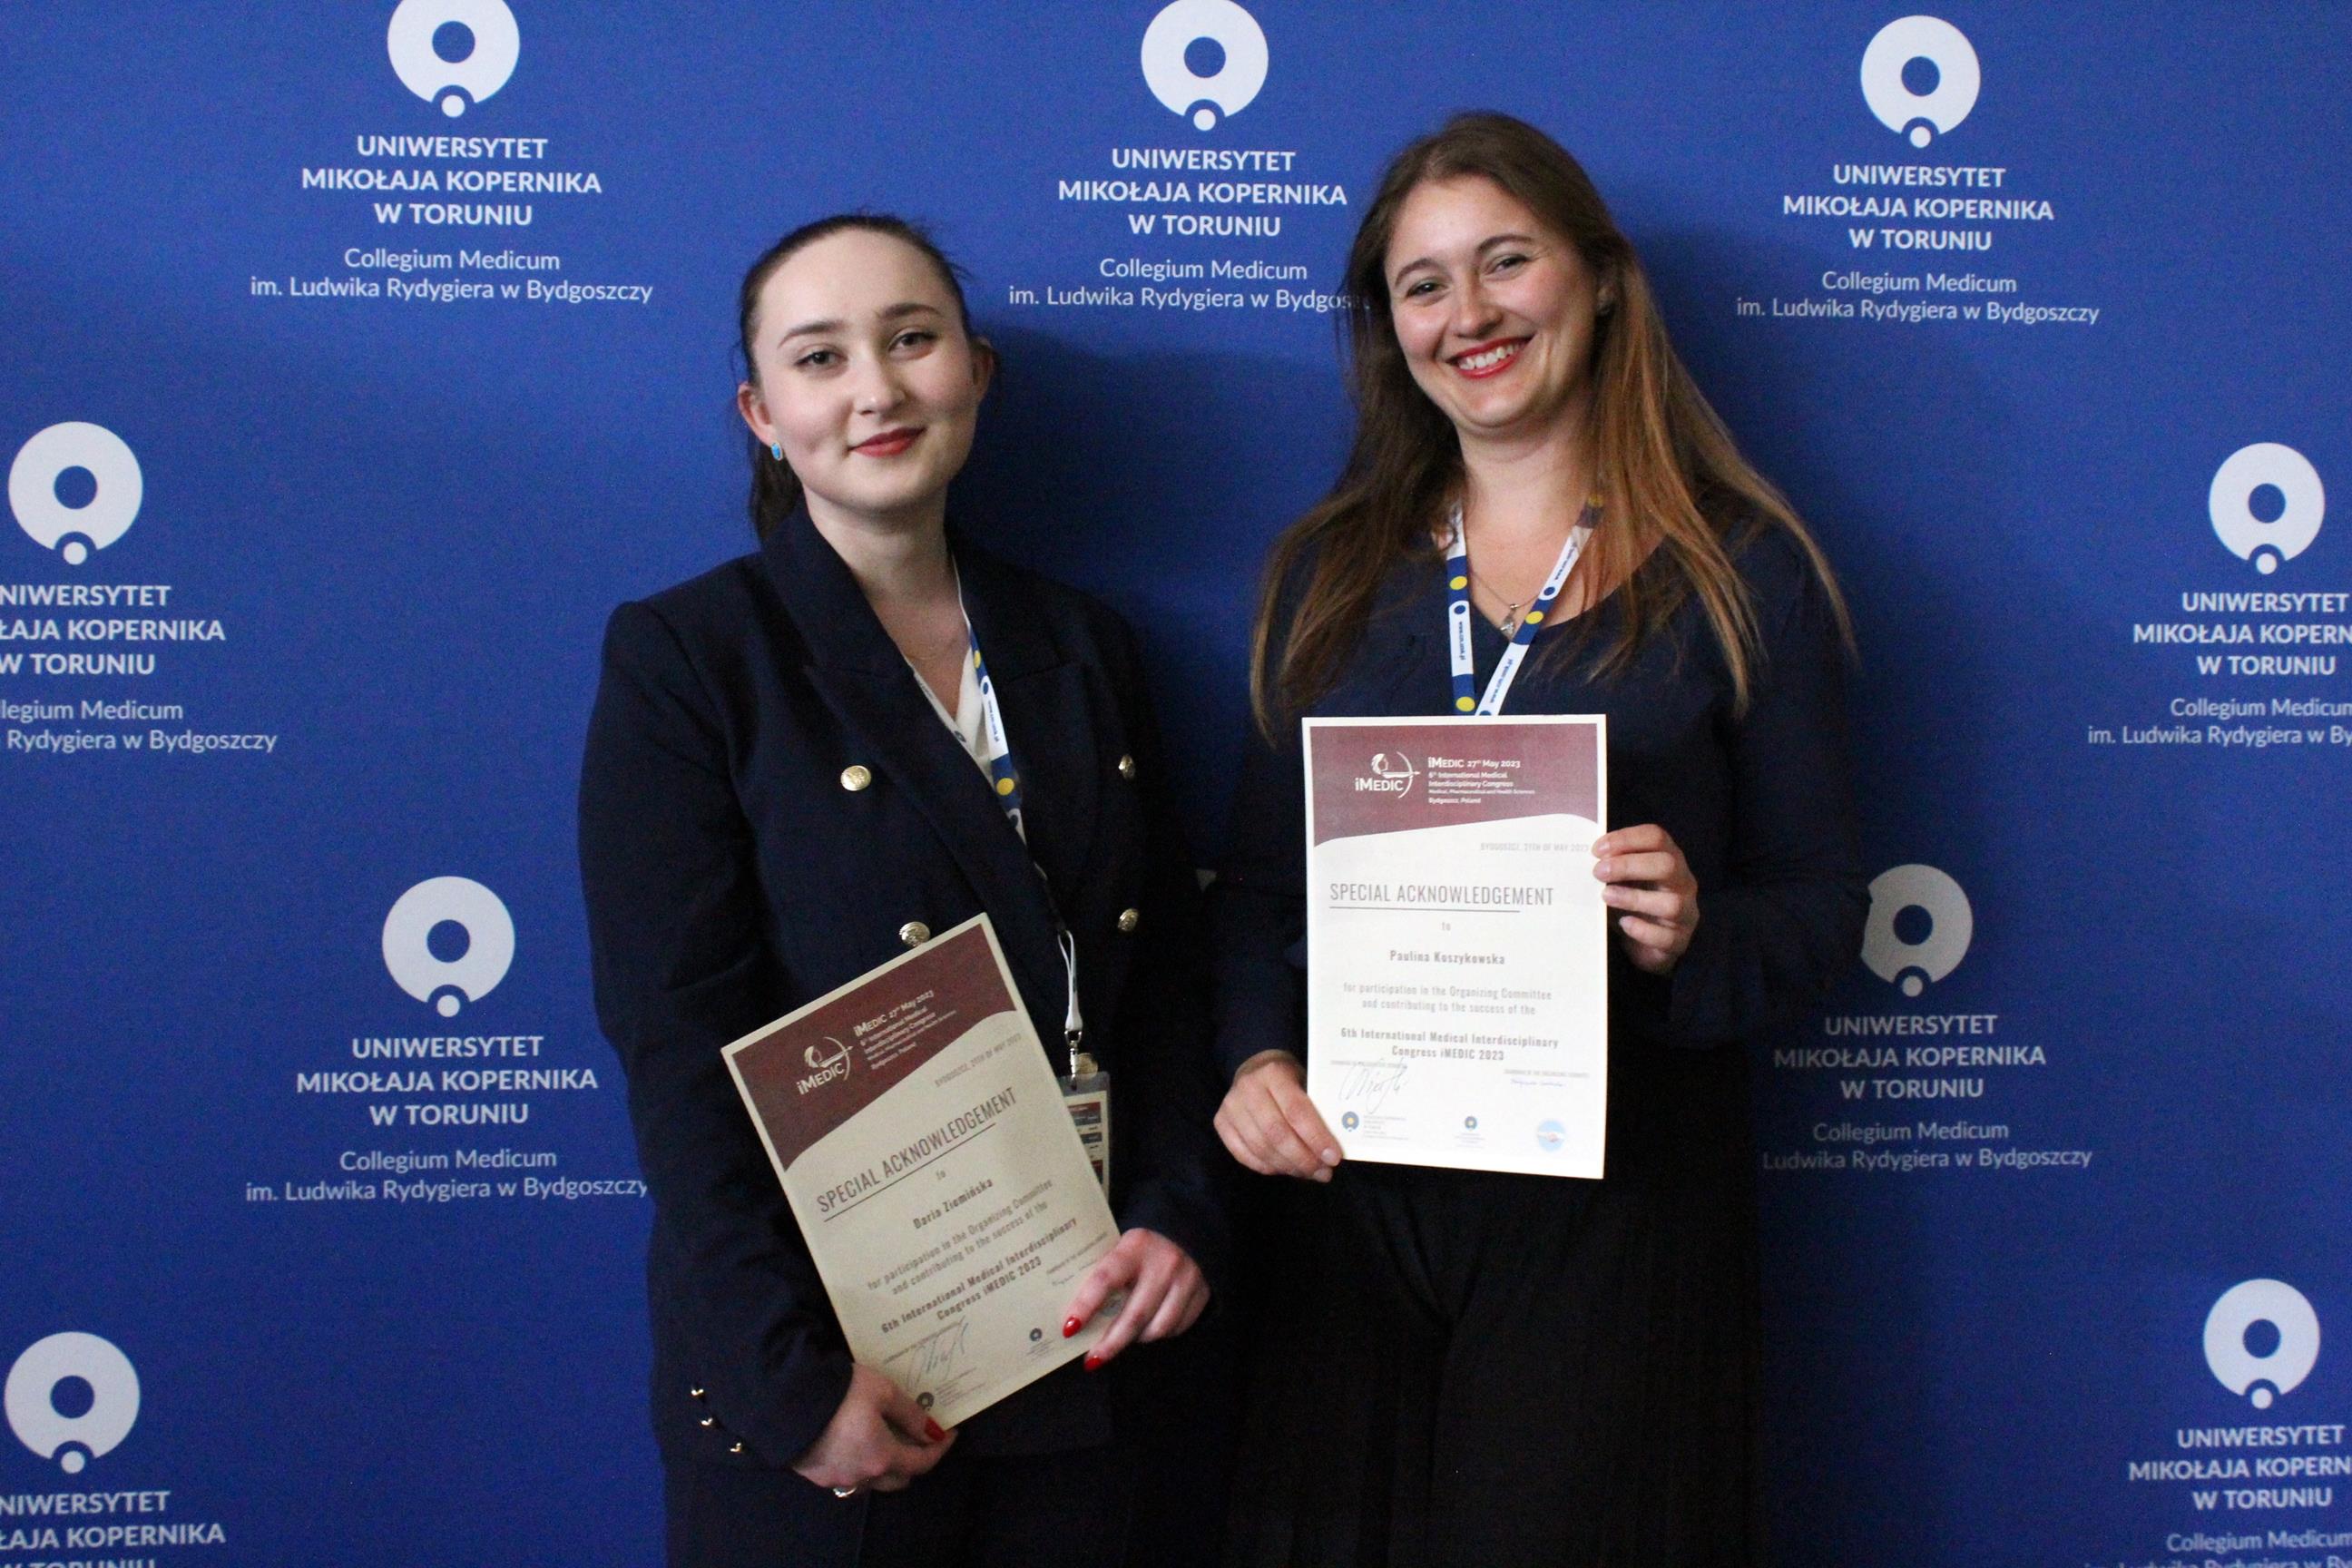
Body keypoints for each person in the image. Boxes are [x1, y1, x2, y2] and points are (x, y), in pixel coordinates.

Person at [1208, 113, 1867, 1566]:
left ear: (1604, 281)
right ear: (1389, 330)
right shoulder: (1327, 575)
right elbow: (1253, 893)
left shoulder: (1743, 568)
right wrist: (1253, 1062)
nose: (1470, 313)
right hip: (1351, 1215)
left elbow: (1827, 906)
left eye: (1506, 261)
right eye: (1423, 283)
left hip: (1621, 1216)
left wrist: (1697, 930)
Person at [579, 213, 1230, 1568]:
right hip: (838, 1372)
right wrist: (787, 1380)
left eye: (912, 339)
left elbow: (1165, 975)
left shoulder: (1086, 644)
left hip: (1087, 1329)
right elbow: (675, 1047)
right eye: (820, 358)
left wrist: (1179, 1211)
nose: (875, 389)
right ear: (763, 416)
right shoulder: (690, 659)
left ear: (976, 373)